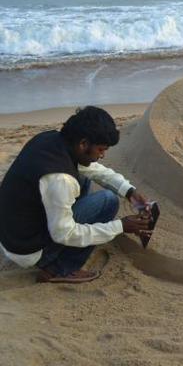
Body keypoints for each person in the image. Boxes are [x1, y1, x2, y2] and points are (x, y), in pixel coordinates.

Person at [0, 106, 153, 283]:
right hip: (27, 249)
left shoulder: (48, 139)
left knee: (84, 176)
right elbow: (64, 234)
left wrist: (129, 191)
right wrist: (121, 226)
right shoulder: (60, 179)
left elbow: (94, 169)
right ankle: (59, 268)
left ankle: (60, 253)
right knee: (108, 202)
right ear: (83, 144)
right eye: (101, 149)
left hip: (11, 232)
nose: (102, 155)